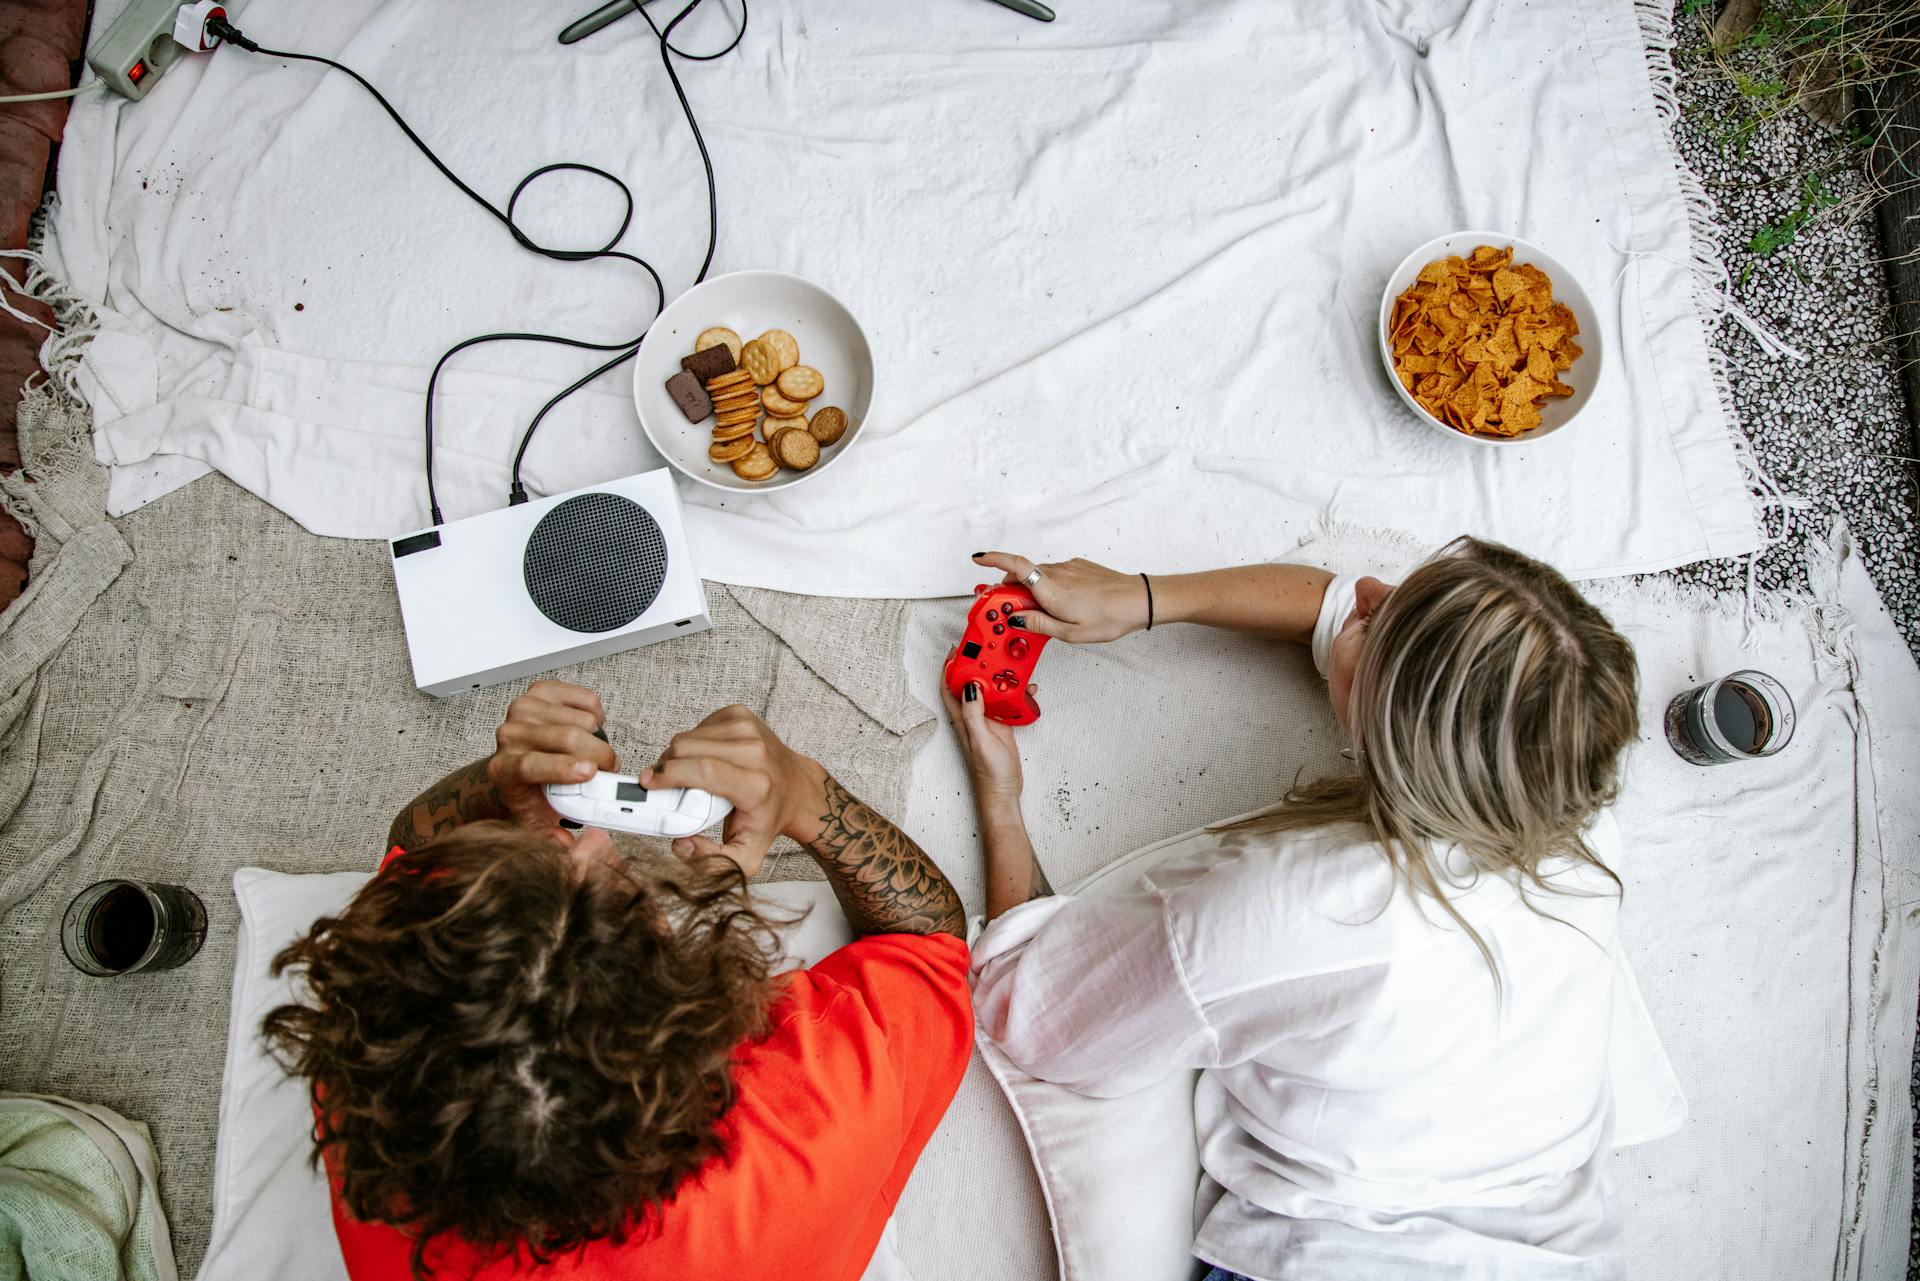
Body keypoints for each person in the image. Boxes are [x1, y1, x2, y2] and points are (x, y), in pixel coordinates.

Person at [947, 539, 1648, 1281]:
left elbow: (1030, 1009)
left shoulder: (1296, 910)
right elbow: (1340, 604)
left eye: (1382, 622)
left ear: (1397, 728)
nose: (1366, 587)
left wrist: (1001, 802)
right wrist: (1145, 596)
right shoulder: (1571, 780)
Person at [264, 681, 970, 1281]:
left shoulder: (376, 1067)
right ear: (703, 1031)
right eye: (620, 899)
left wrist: (498, 785)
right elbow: (930, 935)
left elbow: (412, 851)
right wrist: (804, 790)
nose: (592, 838)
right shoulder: (806, 1139)